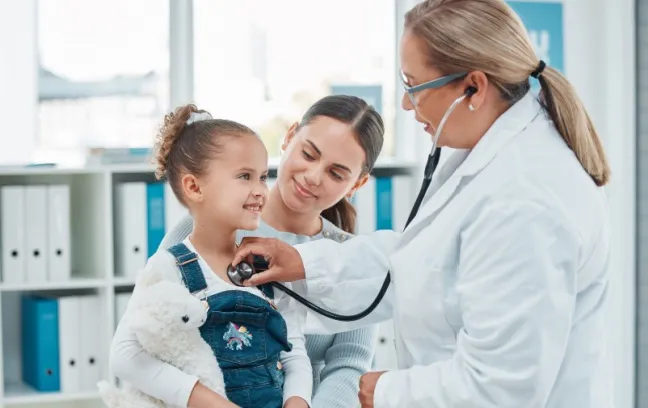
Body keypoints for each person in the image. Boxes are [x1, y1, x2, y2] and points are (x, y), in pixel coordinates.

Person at [230, 0, 614, 407]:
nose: (406, 105)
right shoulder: (491, 158)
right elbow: (425, 262)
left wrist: (389, 392)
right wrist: (306, 262)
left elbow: (501, 388)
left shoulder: (526, 198)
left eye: (414, 86)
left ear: (473, 88)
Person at [158, 94, 384, 408]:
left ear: (357, 184)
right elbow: (152, 329)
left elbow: (349, 363)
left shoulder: (353, 260)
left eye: (336, 173)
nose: (313, 176)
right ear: (289, 137)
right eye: (308, 154)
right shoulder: (205, 223)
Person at [109, 104, 312, 408]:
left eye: (262, 176)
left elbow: (294, 352)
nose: (260, 190)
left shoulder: (268, 267)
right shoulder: (168, 267)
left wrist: (298, 401)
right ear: (194, 186)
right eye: (244, 176)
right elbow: (125, 356)